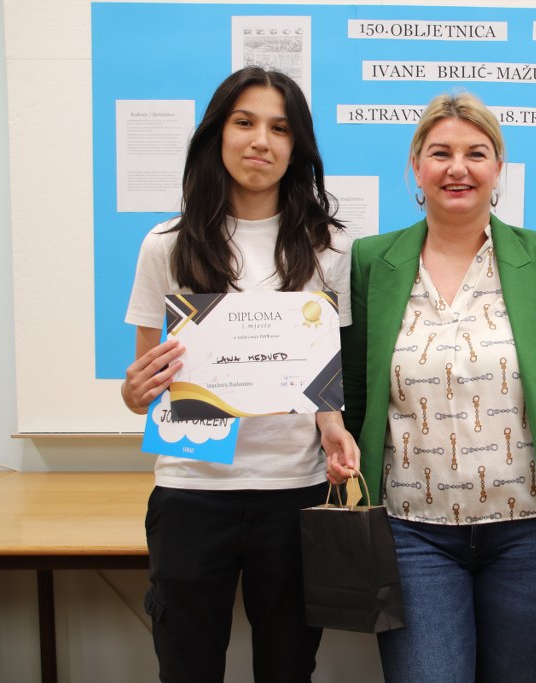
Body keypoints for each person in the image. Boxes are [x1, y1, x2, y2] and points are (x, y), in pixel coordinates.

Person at [341, 91, 536, 683]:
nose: (457, 168)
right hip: (410, 531)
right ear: (416, 167)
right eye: (440, 153)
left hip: (531, 533)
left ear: (498, 167)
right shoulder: (372, 261)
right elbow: (355, 387)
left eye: (476, 153)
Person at [120, 66, 359, 683]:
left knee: (288, 668)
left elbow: (323, 380)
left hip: (295, 490)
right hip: (192, 490)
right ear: (216, 135)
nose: (261, 141)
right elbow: (144, 384)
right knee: (188, 667)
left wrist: (334, 426)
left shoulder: (329, 247)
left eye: (279, 128)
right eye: (244, 122)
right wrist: (134, 391)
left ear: (297, 146)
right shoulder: (166, 244)